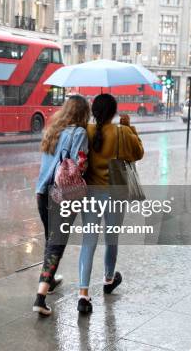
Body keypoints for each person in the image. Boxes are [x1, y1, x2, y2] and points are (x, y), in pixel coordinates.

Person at [77, 94, 144, 313]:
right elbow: (138, 153)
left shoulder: (85, 130)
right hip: (116, 193)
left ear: (94, 111)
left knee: (89, 240)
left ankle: (83, 294)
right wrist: (130, 127)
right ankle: (108, 279)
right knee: (111, 238)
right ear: (114, 112)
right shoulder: (122, 131)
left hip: (91, 194)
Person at [33, 95, 90, 316]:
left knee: (50, 241)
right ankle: (40, 297)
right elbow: (80, 164)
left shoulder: (53, 130)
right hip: (62, 194)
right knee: (56, 245)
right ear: (83, 113)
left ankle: (50, 279)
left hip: (42, 192)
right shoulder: (79, 133)